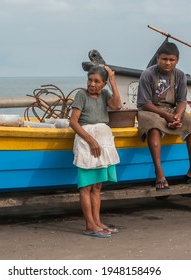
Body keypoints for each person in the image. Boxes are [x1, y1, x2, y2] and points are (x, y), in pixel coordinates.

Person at [137, 42, 191, 190]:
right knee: (153, 129)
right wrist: (166, 116)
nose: (167, 63)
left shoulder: (179, 75)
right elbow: (144, 103)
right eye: (164, 59)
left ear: (177, 60)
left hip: (171, 110)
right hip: (150, 111)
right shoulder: (148, 74)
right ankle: (159, 173)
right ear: (158, 58)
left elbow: (182, 101)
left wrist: (177, 116)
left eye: (171, 60)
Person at [69, 65, 122, 238]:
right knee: (86, 186)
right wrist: (91, 140)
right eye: (90, 80)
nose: (92, 84)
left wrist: (113, 82)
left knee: (97, 186)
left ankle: (97, 222)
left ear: (103, 84)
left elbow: (117, 105)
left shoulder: (106, 94)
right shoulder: (81, 95)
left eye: (97, 81)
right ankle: (89, 225)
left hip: (102, 144)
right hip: (87, 143)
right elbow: (74, 122)